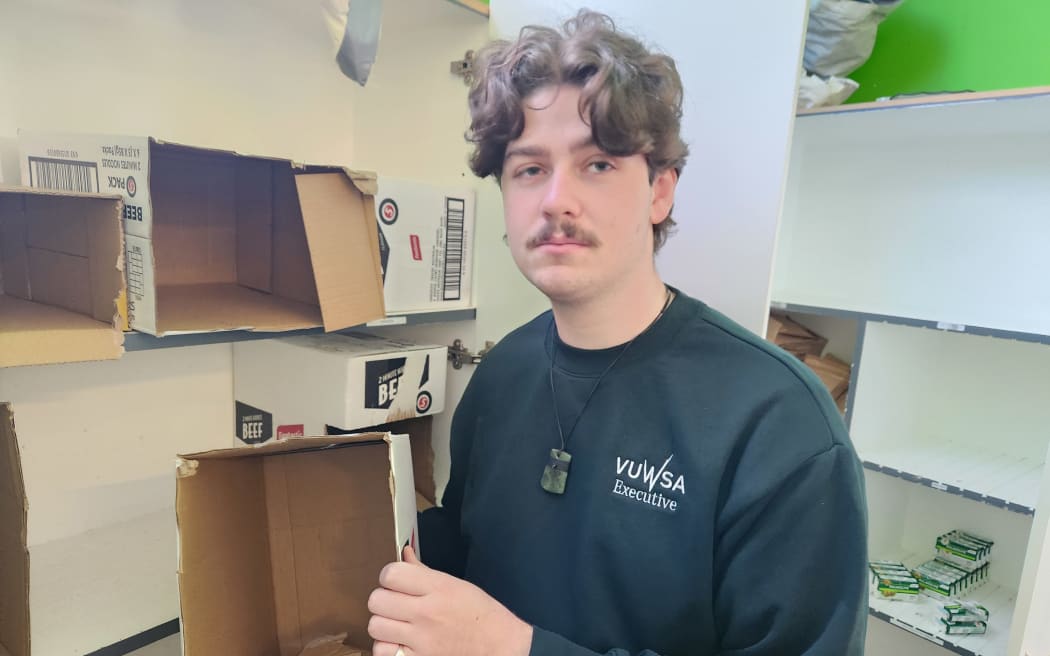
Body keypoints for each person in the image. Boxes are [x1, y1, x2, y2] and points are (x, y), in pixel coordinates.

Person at [367, 10, 868, 656]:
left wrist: (516, 649)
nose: (555, 200)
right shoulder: (500, 379)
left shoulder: (782, 430)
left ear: (660, 191)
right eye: (528, 169)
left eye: (597, 164)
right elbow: (472, 559)